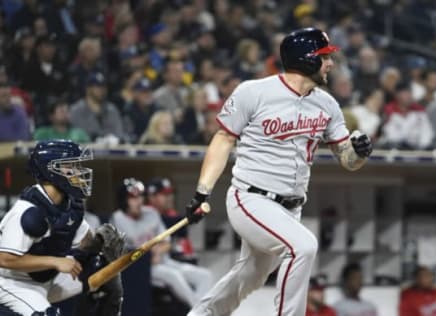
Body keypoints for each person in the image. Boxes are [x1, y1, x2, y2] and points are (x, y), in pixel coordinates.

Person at [185, 27, 373, 316]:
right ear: (307, 59)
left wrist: (358, 152)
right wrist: (202, 191)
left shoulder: (327, 104)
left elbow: (346, 160)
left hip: (290, 208)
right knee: (303, 246)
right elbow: (223, 139)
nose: (331, 64)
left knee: (247, 277)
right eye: (325, 57)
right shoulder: (254, 91)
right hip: (251, 198)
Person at [0, 140, 124, 315]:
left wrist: (101, 243)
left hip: (46, 279)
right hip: (11, 283)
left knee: (104, 272)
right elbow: (4, 259)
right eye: (70, 166)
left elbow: (85, 243)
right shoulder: (27, 211)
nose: (78, 172)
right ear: (50, 170)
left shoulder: (69, 205)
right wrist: (55, 262)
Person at [110, 178, 213, 308]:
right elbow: (123, 253)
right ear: (124, 200)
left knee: (205, 276)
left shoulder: (151, 213)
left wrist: (159, 251)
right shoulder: (117, 219)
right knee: (174, 276)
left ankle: (197, 311)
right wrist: (148, 256)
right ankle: (201, 311)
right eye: (133, 197)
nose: (139, 201)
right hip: (142, 269)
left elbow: (166, 241)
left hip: (165, 261)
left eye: (141, 196)